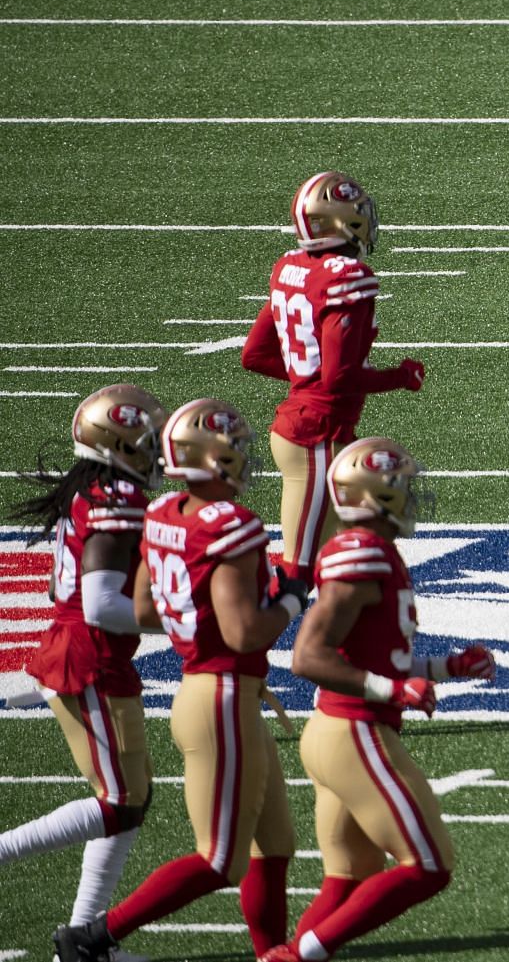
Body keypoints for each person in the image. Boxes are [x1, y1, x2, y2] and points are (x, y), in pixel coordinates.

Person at [55, 399, 311, 962]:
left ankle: (272, 952)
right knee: (221, 859)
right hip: (221, 694)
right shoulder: (232, 525)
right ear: (208, 459)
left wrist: (200, 615)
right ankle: (91, 938)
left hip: (213, 689)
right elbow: (246, 633)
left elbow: (146, 608)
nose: (243, 457)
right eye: (233, 449)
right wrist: (291, 597)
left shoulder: (165, 511)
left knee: (276, 845)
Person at [261, 438, 493, 962]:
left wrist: (446, 668)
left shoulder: (377, 552)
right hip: (353, 731)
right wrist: (394, 690)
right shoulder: (362, 553)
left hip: (341, 729)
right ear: (377, 496)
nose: (412, 497)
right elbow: (308, 656)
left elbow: (374, 656)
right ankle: (298, 956)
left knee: (348, 881)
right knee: (429, 864)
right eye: (403, 487)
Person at [1, 387, 165, 960]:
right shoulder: (114, 495)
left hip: (95, 651)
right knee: (121, 801)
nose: (157, 455)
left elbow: (58, 587)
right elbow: (97, 604)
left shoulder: (92, 487)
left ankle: (84, 940)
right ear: (116, 446)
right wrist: (181, 620)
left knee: (131, 798)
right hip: (87, 655)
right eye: (145, 444)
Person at [242, 173, 423, 580]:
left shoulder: (290, 268)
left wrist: (305, 382)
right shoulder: (345, 278)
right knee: (299, 574)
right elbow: (339, 377)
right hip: (315, 437)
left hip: (313, 429)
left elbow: (253, 355)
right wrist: (400, 377)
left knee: (348, 559)